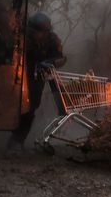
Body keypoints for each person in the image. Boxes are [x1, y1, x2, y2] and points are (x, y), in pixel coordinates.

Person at [6, 12, 66, 152]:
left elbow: (60, 58)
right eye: (35, 31)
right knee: (14, 106)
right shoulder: (22, 37)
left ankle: (17, 141)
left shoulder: (52, 40)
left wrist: (49, 63)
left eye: (41, 32)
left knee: (30, 108)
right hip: (19, 75)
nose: (38, 34)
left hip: (37, 78)